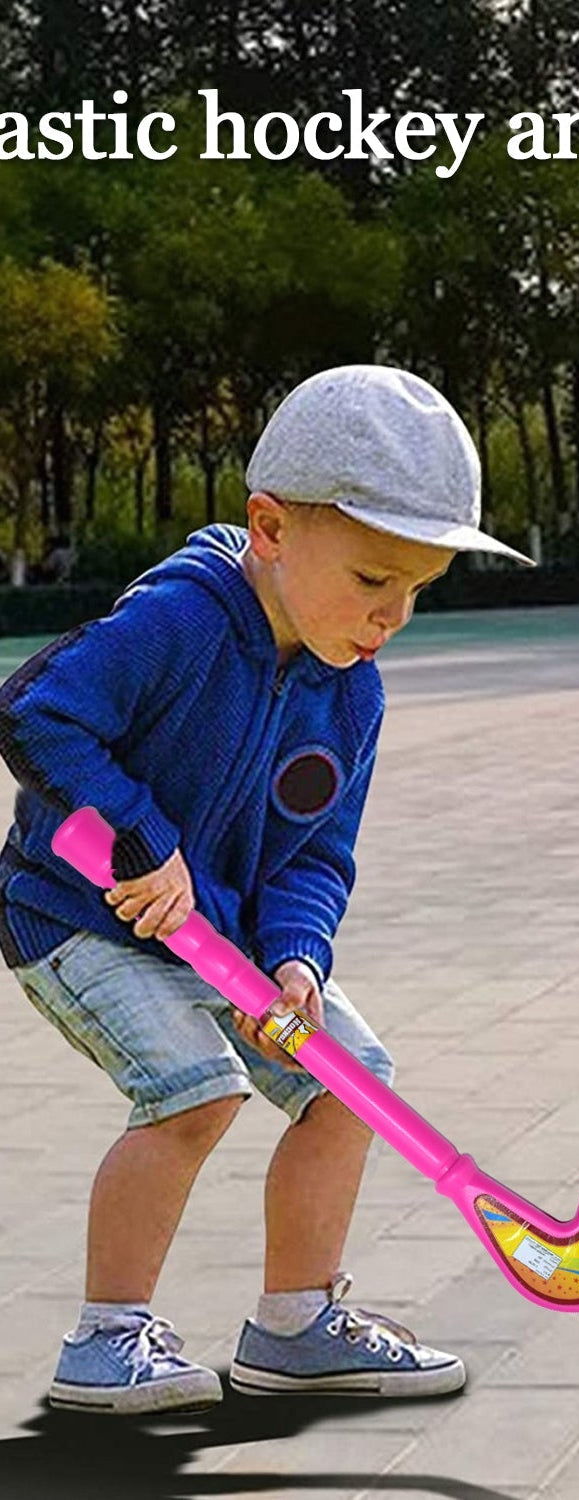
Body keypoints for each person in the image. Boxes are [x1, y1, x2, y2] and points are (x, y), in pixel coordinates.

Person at [0, 365, 534, 1415]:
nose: (390, 618)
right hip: (78, 917)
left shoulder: (352, 693)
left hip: (229, 939)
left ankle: (295, 1327)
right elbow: (33, 710)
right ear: (270, 529)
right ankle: (106, 1341)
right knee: (192, 1087)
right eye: (373, 580)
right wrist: (139, 840)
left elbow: (314, 857)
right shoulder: (181, 620)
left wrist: (297, 955)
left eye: (415, 592)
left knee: (352, 1080)